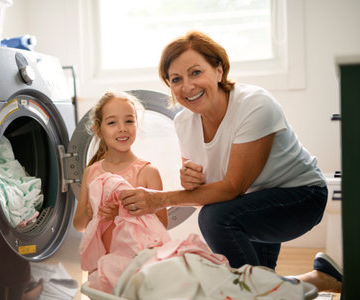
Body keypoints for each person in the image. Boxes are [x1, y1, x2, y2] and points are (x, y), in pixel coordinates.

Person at [119, 31, 342, 293]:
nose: (187, 86)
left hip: (301, 197)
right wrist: (193, 181)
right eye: (175, 79)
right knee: (260, 282)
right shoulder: (184, 122)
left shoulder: (254, 104)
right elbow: (209, 190)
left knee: (214, 220)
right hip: (251, 203)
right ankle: (320, 279)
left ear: (218, 70)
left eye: (195, 72)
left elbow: (232, 187)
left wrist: (158, 199)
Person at [73, 90, 169, 292]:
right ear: (98, 130)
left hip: (136, 263)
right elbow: (79, 224)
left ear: (137, 124)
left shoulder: (147, 172)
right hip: (101, 262)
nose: (122, 129)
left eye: (129, 121)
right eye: (112, 123)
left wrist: (123, 214)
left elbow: (162, 224)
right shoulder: (92, 173)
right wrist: (91, 213)